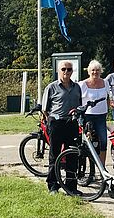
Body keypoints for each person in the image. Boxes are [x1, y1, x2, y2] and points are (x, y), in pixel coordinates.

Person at [42, 60, 82, 195]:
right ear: (58, 71)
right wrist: (50, 122)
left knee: (72, 156)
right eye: (63, 69)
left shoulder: (77, 87)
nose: (66, 72)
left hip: (72, 124)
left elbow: (79, 104)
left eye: (69, 69)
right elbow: (45, 109)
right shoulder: (51, 87)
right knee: (55, 154)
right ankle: (53, 185)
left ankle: (71, 186)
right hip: (57, 124)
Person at [78, 59, 109, 165]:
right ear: (89, 71)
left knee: (103, 141)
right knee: (88, 143)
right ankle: (89, 168)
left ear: (100, 71)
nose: (95, 72)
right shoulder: (83, 84)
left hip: (101, 116)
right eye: (93, 70)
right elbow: (78, 100)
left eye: (97, 70)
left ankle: (102, 168)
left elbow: (107, 98)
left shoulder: (105, 83)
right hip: (88, 116)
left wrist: (107, 110)